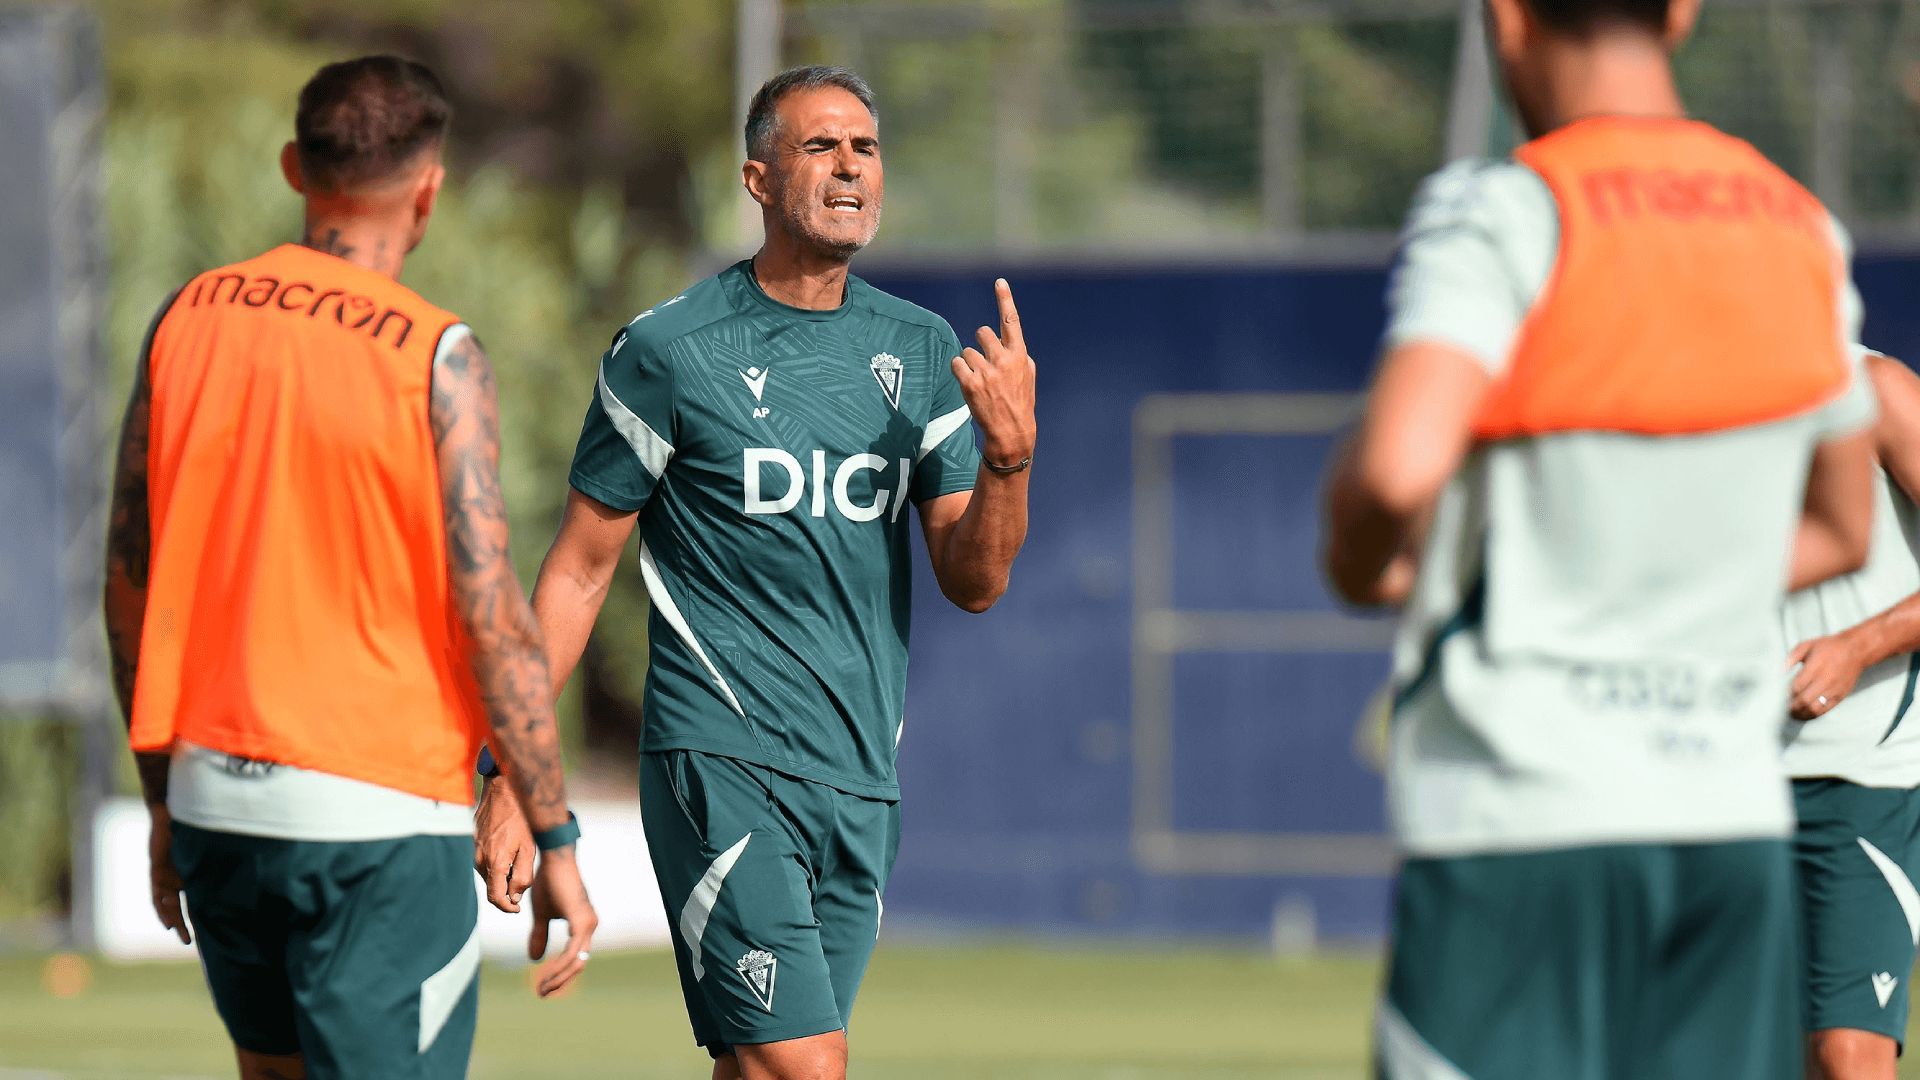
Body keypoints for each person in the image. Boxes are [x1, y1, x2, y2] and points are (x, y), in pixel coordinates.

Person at [1321, 0, 1878, 1076]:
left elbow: (1393, 471)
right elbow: (1843, 525)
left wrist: (1361, 555)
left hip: (1521, 825)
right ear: (1682, 14)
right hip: (1727, 831)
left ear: (1506, 19)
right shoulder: (1799, 227)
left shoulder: (1507, 212)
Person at [471, 64, 1036, 1079]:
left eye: (865, 147)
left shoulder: (921, 348)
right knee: (805, 1065)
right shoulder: (671, 351)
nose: (852, 164)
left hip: (861, 779)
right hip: (719, 762)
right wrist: (511, 768)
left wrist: (1008, 461)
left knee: (756, 1066)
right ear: (758, 179)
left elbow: (975, 579)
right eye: (820, 145)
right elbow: (578, 574)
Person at [101, 55, 596, 1080]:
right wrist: (551, 829)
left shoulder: (185, 319)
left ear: (294, 165)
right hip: (377, 818)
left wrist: (161, 799)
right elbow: (492, 611)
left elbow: (129, 583)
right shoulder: (435, 353)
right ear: (431, 186)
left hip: (216, 800)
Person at [1782, 348, 1920, 1080]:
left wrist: (1860, 645)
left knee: (1846, 1057)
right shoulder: (1676, 399)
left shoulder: (1877, 389)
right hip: (1709, 781)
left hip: (1858, 781)